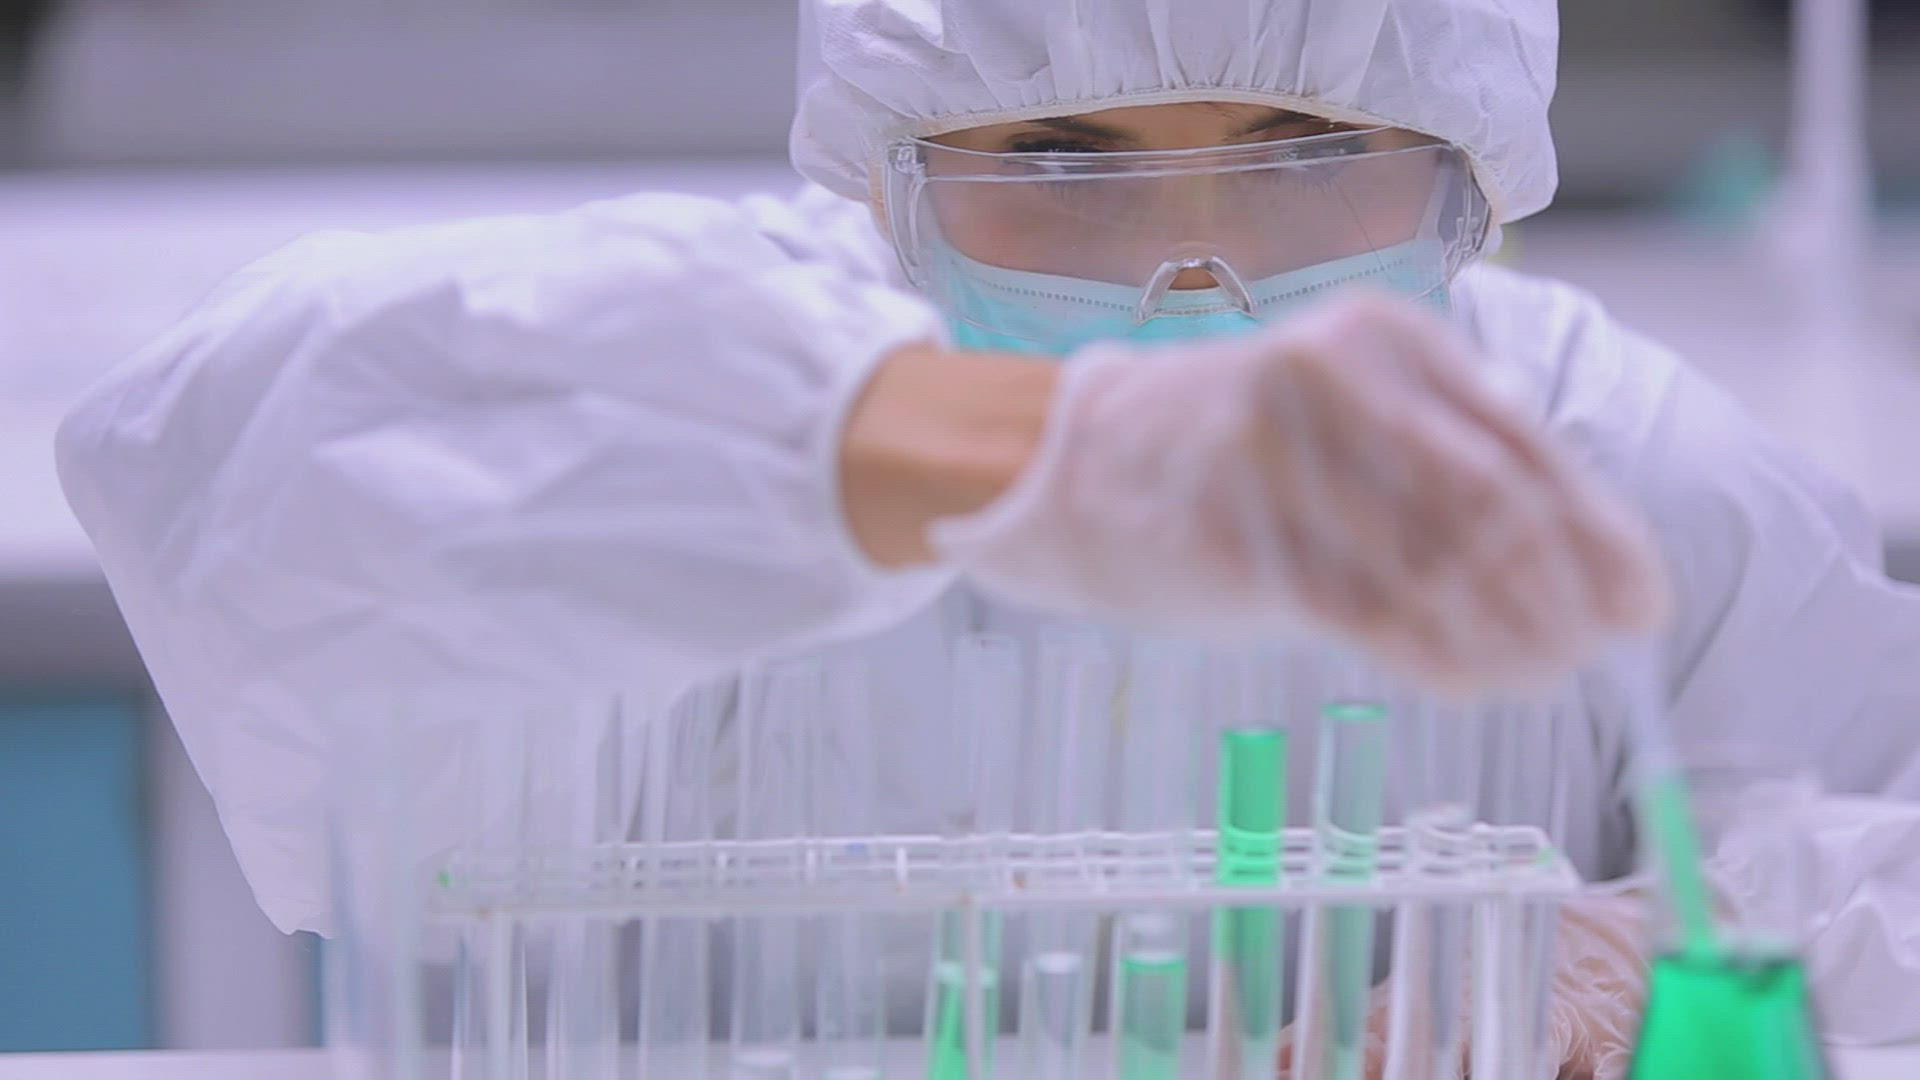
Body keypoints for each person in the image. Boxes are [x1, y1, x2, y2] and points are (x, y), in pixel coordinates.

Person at [54, 0, 1920, 1073]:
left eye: (1305, 143)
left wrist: (1669, 948)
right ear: (893, 180)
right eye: (1060, 159)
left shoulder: (1603, 466)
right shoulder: (708, 424)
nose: (1196, 271)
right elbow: (234, 470)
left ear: (1477, 174)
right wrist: (966, 452)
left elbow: (1883, 841)